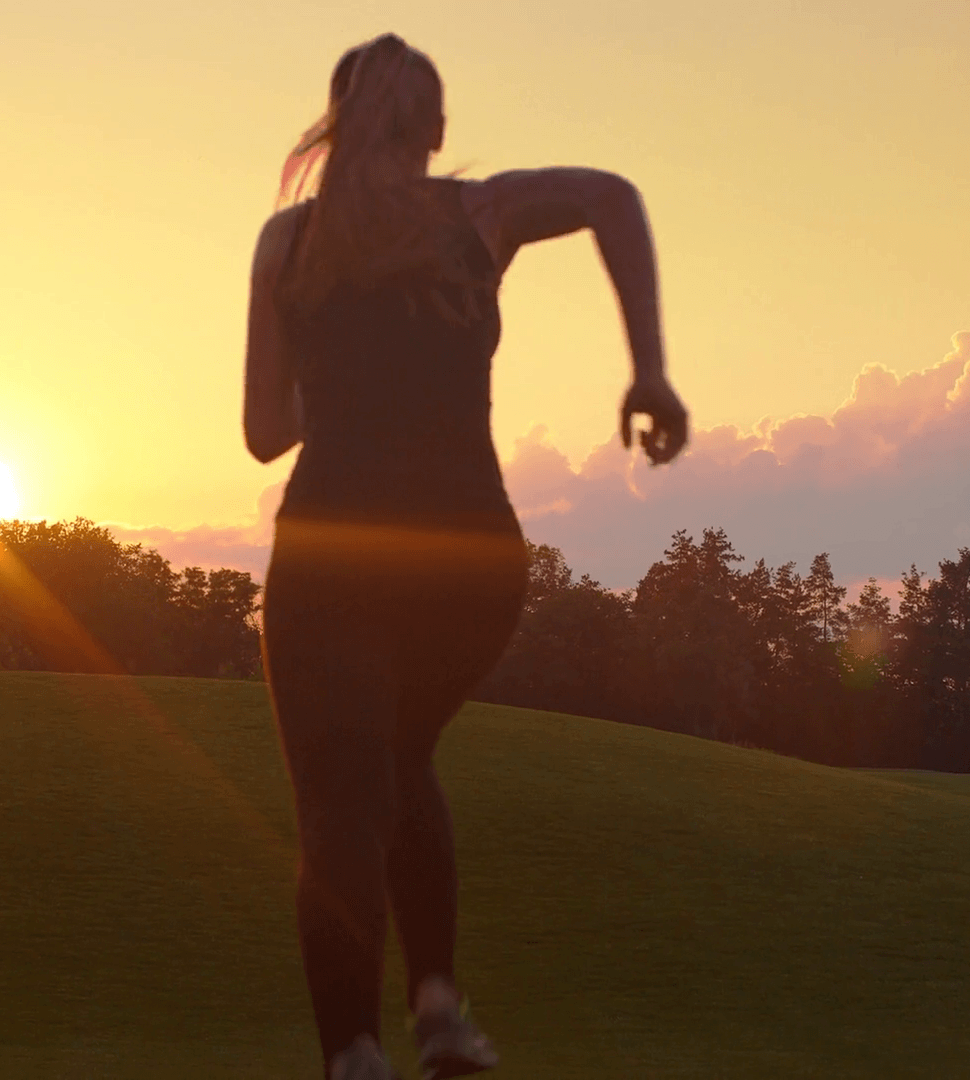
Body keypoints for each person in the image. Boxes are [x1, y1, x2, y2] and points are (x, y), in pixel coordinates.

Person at [242, 33, 688, 1080]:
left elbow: (266, 430)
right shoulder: (480, 214)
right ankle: (440, 1006)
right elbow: (612, 195)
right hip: (470, 561)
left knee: (341, 801)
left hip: (331, 558)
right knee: (398, 762)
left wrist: (350, 376)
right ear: (437, 130)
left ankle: (355, 1054)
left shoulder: (285, 244)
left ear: (337, 122)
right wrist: (650, 372)